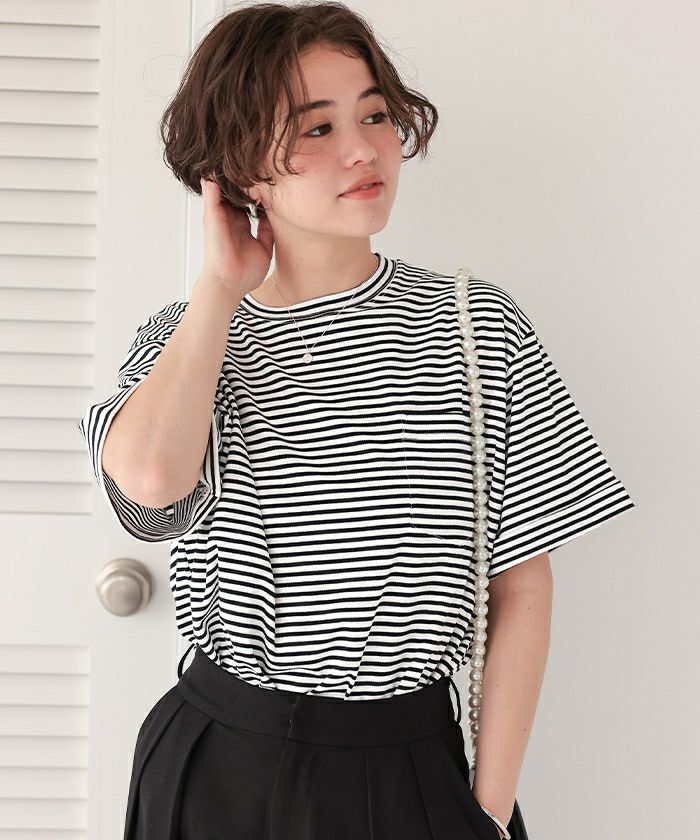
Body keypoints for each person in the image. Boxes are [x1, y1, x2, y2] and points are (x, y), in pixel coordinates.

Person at [77, 3, 636, 839]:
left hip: (408, 762)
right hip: (219, 763)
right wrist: (219, 289)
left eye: (374, 115)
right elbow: (151, 490)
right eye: (317, 128)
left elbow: (522, 582)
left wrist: (485, 810)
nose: (363, 148)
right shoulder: (188, 338)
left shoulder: (476, 327)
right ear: (242, 169)